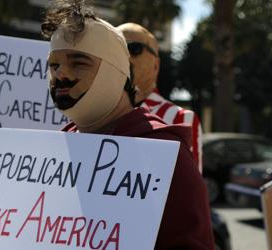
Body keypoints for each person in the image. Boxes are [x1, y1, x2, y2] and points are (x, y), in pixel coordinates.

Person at [41, 1, 213, 248]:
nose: (60, 74)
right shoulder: (51, 148)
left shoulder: (165, 155)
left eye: (78, 62)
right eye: (53, 65)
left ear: (116, 72)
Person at [116, 23, 204, 175]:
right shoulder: (94, 116)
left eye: (133, 48)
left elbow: (190, 193)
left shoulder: (180, 119)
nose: (123, 56)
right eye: (116, 49)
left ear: (156, 65)